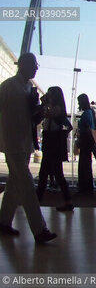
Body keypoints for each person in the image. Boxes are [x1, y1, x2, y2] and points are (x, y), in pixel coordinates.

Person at [0, 52, 57, 243]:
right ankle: (39, 230)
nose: (36, 68)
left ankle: (4, 222)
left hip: (24, 143)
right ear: (22, 65)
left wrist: (42, 108)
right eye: (34, 64)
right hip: (12, 142)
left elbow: (34, 119)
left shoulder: (29, 88)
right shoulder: (8, 86)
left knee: (14, 186)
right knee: (26, 185)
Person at [36, 87, 74, 211]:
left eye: (50, 94)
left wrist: (45, 103)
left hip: (52, 145)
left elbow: (46, 114)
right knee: (56, 174)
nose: (49, 96)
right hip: (53, 145)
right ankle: (67, 201)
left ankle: (36, 201)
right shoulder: (57, 108)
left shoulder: (57, 109)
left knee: (46, 174)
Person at [77, 93, 95, 195]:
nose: (79, 104)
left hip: (86, 142)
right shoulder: (90, 112)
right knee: (86, 165)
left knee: (84, 165)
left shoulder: (86, 114)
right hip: (88, 142)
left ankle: (84, 187)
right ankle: (87, 187)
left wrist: (81, 138)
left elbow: (87, 129)